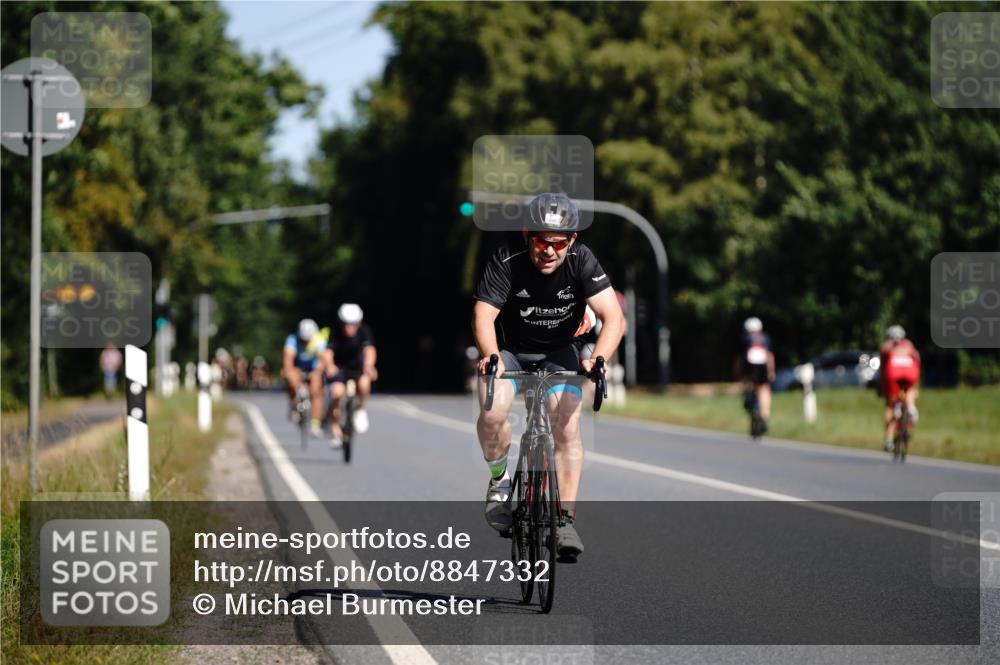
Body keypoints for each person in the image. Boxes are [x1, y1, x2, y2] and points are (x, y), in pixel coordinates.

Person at [472, 192, 625, 560]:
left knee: (567, 425)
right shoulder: (507, 258)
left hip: (559, 352)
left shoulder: (581, 260)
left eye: (559, 243)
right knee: (493, 411)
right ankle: (499, 482)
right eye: (542, 241)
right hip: (510, 349)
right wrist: (491, 356)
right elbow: (483, 315)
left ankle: (564, 520)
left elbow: (613, 317)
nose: (550, 251)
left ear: (572, 240)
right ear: (527, 234)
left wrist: (598, 358)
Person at [324, 303, 378, 449]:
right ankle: (335, 429)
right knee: (336, 393)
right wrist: (329, 367)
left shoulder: (364, 331)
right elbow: (328, 352)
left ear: (359, 323)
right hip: (340, 369)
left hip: (358, 368)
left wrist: (369, 366)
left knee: (364, 383)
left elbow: (369, 350)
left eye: (353, 324)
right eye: (346, 324)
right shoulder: (334, 332)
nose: (349, 328)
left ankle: (360, 408)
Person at [282, 318, 329, 438]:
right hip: (298, 367)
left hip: (313, 368)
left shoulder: (318, 339)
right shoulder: (292, 339)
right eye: (303, 340)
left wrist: (319, 370)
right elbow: (288, 360)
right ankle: (293, 405)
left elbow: (323, 360)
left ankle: (315, 424)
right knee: (291, 379)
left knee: (316, 390)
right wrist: (290, 373)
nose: (305, 342)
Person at [879, 324, 921, 452]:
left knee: (890, 406)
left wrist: (882, 387)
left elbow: (882, 368)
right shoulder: (909, 345)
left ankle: (889, 440)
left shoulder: (885, 346)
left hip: (893, 372)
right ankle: (911, 407)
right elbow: (918, 361)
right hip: (911, 371)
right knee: (910, 391)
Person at [736, 317, 775, 433]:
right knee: (764, 389)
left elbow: (739, 359)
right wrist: (771, 372)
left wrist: (739, 373)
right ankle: (764, 417)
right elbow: (770, 356)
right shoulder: (765, 338)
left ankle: (750, 406)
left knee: (748, 384)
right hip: (763, 368)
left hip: (749, 368)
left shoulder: (744, 338)